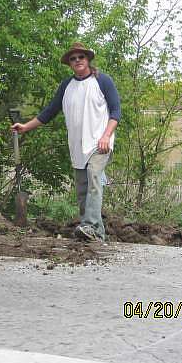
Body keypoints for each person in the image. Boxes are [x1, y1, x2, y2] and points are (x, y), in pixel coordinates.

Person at [11, 42, 121, 242]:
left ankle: (89, 226)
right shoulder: (67, 86)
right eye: (73, 58)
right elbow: (49, 112)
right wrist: (25, 127)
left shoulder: (103, 81)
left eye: (81, 57)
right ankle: (95, 235)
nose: (77, 60)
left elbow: (115, 112)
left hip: (100, 143)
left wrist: (106, 136)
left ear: (88, 59)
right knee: (82, 189)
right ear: (69, 63)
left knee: (94, 178)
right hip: (77, 147)